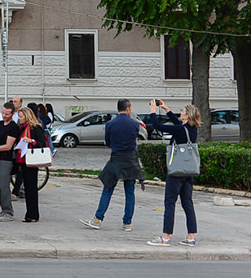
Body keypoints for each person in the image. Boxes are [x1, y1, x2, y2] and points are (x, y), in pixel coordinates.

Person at [80, 99, 144, 232]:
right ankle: (127, 223)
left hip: (116, 158)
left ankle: (98, 219)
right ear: (127, 109)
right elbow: (135, 139)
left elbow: (108, 142)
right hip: (131, 159)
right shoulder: (135, 124)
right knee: (130, 192)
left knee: (108, 189)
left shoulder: (110, 124)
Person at [146, 100, 199, 247]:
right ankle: (190, 237)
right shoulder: (192, 129)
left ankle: (165, 237)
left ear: (187, 116)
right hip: (188, 172)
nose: (180, 113)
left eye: (182, 111)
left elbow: (157, 126)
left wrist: (153, 110)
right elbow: (178, 124)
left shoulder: (180, 130)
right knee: (187, 203)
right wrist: (166, 108)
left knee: (170, 203)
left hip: (176, 172)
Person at [15, 106, 46, 223]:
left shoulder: (35, 128)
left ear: (27, 117)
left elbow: (42, 143)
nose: (19, 118)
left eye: (21, 116)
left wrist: (31, 141)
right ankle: (30, 213)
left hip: (32, 160)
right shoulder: (22, 128)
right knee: (27, 188)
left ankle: (32, 214)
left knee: (31, 188)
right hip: (22, 160)